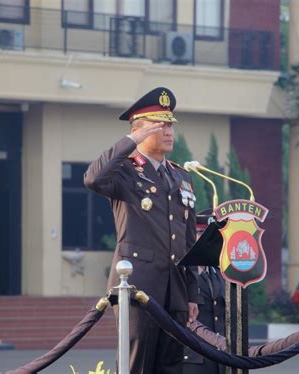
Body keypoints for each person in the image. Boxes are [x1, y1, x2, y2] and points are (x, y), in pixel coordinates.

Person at [84, 87, 199, 373]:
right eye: (159, 125)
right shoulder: (125, 172)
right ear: (139, 131)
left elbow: (188, 241)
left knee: (171, 366)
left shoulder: (180, 176)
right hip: (138, 287)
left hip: (175, 291)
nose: (169, 130)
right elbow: (93, 178)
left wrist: (192, 294)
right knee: (138, 365)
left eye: (170, 124)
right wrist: (130, 141)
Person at [183, 211, 226, 374]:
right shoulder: (182, 275)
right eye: (200, 234)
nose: (206, 241)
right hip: (193, 358)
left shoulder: (218, 274)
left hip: (219, 357)